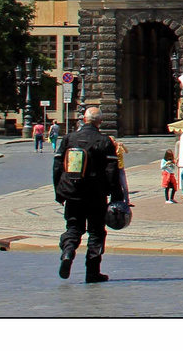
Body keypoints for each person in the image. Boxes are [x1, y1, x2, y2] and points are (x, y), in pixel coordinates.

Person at [54, 104, 120, 283]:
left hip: (72, 192)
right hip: (96, 195)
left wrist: (59, 193)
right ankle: (92, 272)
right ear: (100, 122)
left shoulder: (69, 138)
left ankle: (68, 252)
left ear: (84, 120)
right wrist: (116, 198)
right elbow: (112, 173)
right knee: (96, 232)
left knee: (73, 227)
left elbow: (58, 167)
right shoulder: (104, 141)